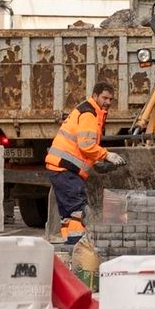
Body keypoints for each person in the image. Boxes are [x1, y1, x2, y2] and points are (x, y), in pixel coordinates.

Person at [45, 82, 124, 242]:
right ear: (95, 96)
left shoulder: (88, 111)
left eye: (111, 99)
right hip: (66, 170)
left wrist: (95, 163)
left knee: (68, 215)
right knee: (79, 211)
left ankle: (69, 247)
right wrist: (107, 155)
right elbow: (86, 144)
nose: (108, 102)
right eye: (105, 98)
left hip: (59, 169)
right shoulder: (89, 114)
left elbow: (80, 147)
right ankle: (77, 246)